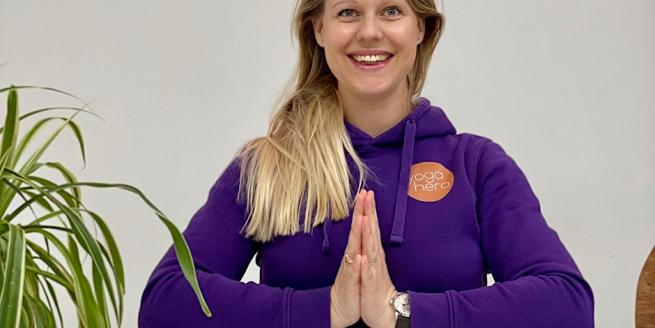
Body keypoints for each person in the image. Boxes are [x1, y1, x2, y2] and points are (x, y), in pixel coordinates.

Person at [138, 0, 595, 327]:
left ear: (422, 29)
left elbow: (569, 305)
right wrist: (323, 312)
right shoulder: (268, 166)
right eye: (348, 12)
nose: (370, 32)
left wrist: (403, 312)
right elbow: (164, 303)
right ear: (318, 29)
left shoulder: (476, 165)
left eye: (391, 10)